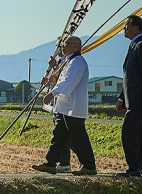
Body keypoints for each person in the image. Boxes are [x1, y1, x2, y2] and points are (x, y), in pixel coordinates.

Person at [31, 36, 97, 176]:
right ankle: (50, 163)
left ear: (74, 46)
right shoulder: (68, 61)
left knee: (78, 137)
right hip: (64, 107)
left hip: (73, 107)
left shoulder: (77, 62)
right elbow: (60, 79)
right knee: (58, 136)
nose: (62, 47)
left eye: (65, 44)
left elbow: (67, 81)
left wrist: (52, 93)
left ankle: (89, 165)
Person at [115, 15, 142, 177]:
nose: (123, 29)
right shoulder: (134, 46)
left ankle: (134, 168)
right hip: (133, 98)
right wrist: (121, 98)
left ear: (136, 27)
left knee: (129, 133)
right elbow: (129, 77)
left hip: (140, 99)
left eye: (126, 25)